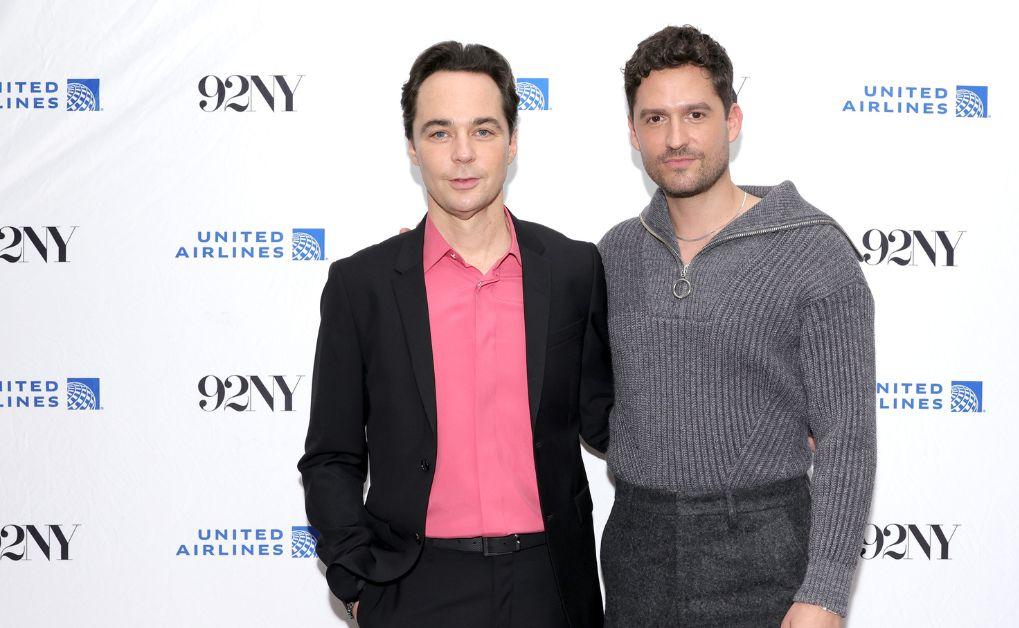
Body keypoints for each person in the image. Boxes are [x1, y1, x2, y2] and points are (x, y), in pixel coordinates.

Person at [297, 40, 611, 628]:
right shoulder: (360, 285)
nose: (463, 154)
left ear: (513, 141)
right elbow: (332, 456)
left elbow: (609, 419)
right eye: (440, 132)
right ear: (412, 148)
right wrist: (356, 579)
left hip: (549, 584)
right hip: (413, 588)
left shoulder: (574, 269)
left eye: (484, 130)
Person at [597, 25, 877, 628]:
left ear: (733, 120)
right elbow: (591, 400)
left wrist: (825, 591)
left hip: (766, 553)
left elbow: (847, 437)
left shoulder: (812, 250)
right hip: (635, 552)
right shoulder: (615, 254)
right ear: (632, 133)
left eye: (695, 114)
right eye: (655, 119)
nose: (676, 138)